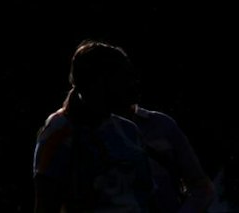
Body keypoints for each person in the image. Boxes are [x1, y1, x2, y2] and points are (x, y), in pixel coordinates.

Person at [32, 41, 154, 213]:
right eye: (124, 77)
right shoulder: (60, 132)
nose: (133, 84)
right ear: (100, 81)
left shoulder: (129, 131)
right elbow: (46, 204)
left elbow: (147, 195)